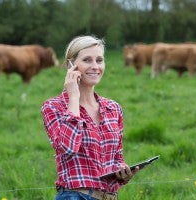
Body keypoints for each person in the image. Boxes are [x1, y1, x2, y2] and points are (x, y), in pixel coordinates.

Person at [41, 35, 139, 200]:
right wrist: (73, 98)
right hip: (75, 196)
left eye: (99, 60)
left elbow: (117, 158)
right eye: (87, 60)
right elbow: (67, 148)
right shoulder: (53, 107)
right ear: (71, 65)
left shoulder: (113, 108)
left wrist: (124, 173)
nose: (95, 66)